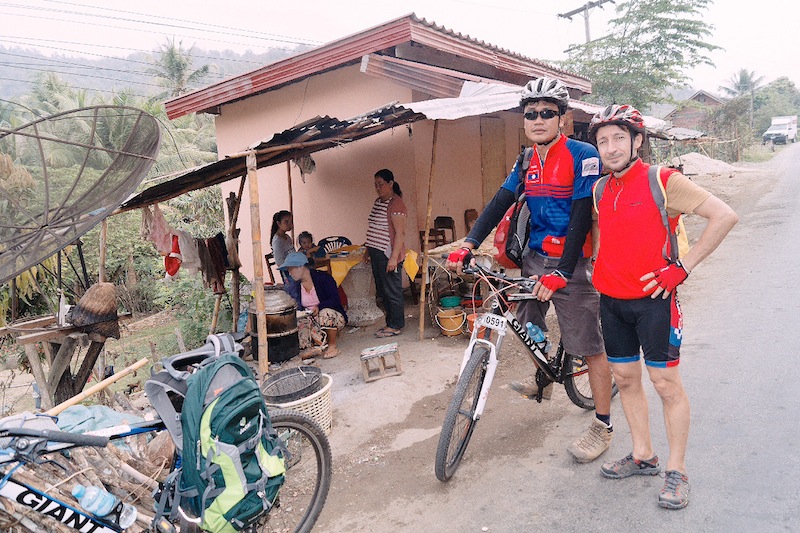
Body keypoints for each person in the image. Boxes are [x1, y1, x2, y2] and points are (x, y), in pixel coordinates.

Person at [446, 77, 614, 463]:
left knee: (588, 346)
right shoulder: (525, 160)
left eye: (547, 113)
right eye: (531, 114)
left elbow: (580, 215)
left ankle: (602, 425)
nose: (538, 120)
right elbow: (498, 202)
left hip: (574, 263)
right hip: (535, 259)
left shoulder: (583, 153)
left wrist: (563, 272)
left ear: (563, 118)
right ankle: (545, 380)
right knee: (527, 320)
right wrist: (468, 244)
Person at [588, 104, 738, 509]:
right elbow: (606, 238)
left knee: (666, 385)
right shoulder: (601, 189)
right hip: (612, 302)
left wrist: (682, 269)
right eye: (603, 141)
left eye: (619, 138)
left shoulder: (662, 180)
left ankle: (676, 468)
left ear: (637, 140)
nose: (611, 147)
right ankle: (642, 454)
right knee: (625, 379)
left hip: (655, 302)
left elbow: (724, 216)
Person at [279, 251, 347, 359]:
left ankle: (332, 346)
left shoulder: (324, 278)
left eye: (290, 269)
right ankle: (313, 347)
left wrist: (319, 307)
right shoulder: (294, 287)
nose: (289, 273)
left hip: (332, 317)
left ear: (300, 266)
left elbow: (335, 300)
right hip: (311, 321)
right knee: (298, 323)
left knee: (325, 313)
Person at [365, 168, 407, 338]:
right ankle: (390, 323)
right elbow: (374, 227)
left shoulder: (397, 204)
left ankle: (396, 325)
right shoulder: (379, 201)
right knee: (382, 291)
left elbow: (400, 234)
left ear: (390, 183)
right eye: (376, 185)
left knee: (392, 291)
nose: (378, 188)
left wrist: (394, 258)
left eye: (381, 184)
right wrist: (368, 249)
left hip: (388, 254)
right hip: (377, 253)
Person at [270, 210, 295, 283]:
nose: (289, 224)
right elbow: (280, 263)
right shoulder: (277, 241)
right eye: (286, 222)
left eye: (291, 221)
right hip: (288, 274)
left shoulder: (287, 237)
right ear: (278, 223)